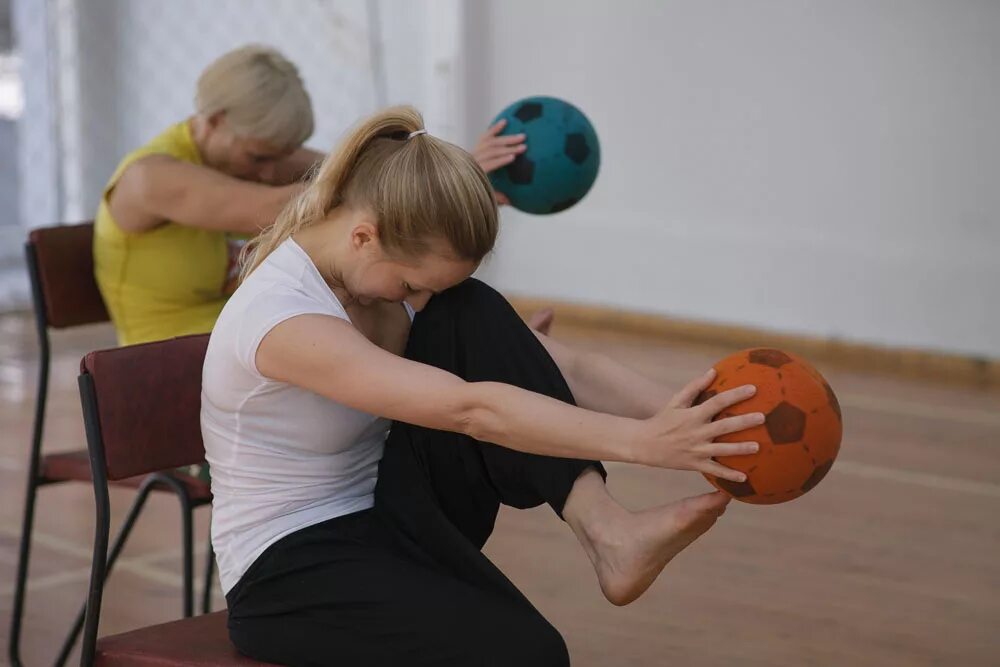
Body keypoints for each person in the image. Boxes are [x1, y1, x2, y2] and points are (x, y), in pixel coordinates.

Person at [201, 106, 762, 667]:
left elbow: (575, 370)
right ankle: (605, 535)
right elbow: (470, 410)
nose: (416, 300)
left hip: (386, 512)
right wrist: (643, 445)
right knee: (529, 654)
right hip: (289, 571)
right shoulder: (279, 316)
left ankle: (606, 528)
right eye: (410, 284)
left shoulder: (386, 282)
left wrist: (703, 425)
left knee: (472, 311)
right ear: (364, 236)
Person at [94, 45, 533, 346]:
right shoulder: (150, 178)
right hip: (165, 369)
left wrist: (442, 185)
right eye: (258, 157)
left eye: (280, 157)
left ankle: (510, 349)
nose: (269, 171)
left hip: (239, 335)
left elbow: (368, 171)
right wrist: (432, 193)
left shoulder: (243, 152)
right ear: (215, 120)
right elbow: (282, 205)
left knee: (409, 312)